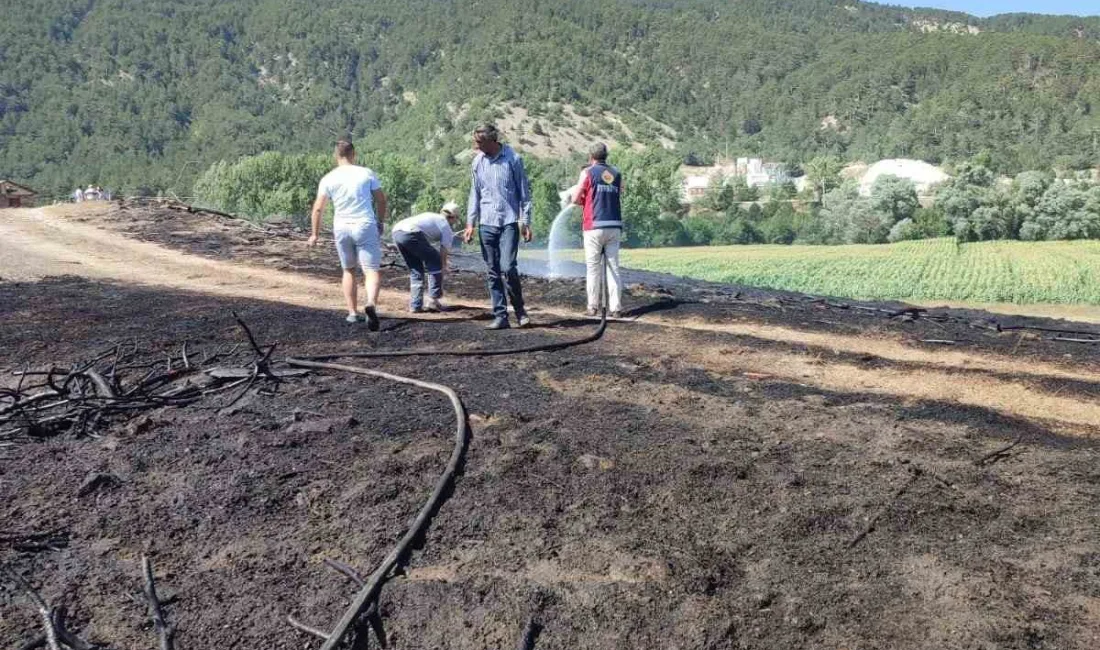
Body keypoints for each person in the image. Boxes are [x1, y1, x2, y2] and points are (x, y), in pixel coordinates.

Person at [308, 139, 389, 330]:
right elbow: (381, 200)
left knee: (349, 270)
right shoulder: (366, 173)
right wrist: (380, 221)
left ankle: (352, 313)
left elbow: (318, 208)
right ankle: (370, 303)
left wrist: (314, 234)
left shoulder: (328, 178)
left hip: (342, 227)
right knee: (371, 269)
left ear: (336, 156)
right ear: (354, 154)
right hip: (364, 224)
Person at [463, 124, 533, 330]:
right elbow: (474, 194)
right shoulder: (477, 162)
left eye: (479, 142)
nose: (475, 146)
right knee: (492, 271)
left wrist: (526, 222)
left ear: (492, 141)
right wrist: (470, 223)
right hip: (486, 223)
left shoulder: (513, 159)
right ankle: (500, 315)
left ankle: (520, 311)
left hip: (509, 221)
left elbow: (524, 194)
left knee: (508, 267)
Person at [572, 142, 624, 318]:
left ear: (591, 157)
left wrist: (582, 201)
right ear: (606, 155)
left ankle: (592, 307)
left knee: (593, 268)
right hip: (614, 225)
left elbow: (575, 198)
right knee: (613, 268)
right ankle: (616, 308)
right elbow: (619, 192)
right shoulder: (616, 173)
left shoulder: (587, 173)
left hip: (594, 226)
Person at [391, 201, 460, 313]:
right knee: (436, 261)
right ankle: (433, 301)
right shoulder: (446, 226)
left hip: (396, 232)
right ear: (454, 218)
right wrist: (443, 266)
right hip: (411, 233)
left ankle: (416, 305)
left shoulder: (431, 216)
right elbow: (443, 250)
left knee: (416, 269)